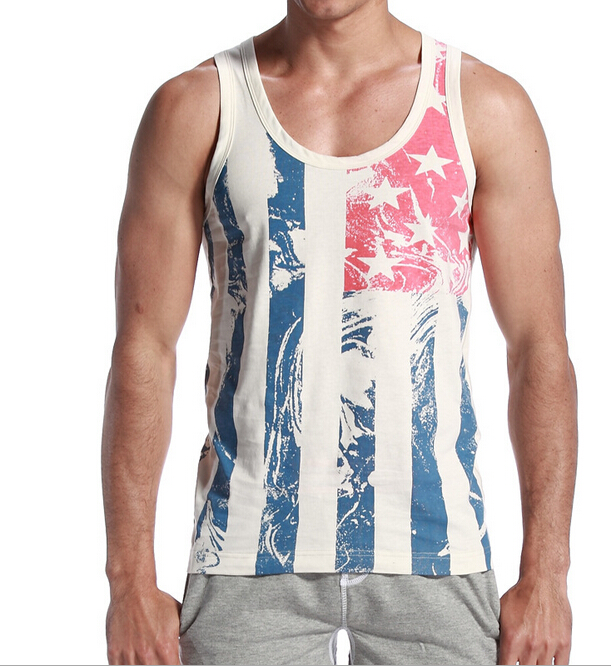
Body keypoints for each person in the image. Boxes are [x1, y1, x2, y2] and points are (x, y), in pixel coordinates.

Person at [102, 0, 578, 664]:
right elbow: (144, 349)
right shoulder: (197, 107)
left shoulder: (482, 106)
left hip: (436, 555)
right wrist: (128, 583)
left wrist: (548, 576)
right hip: (244, 555)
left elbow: (538, 349)